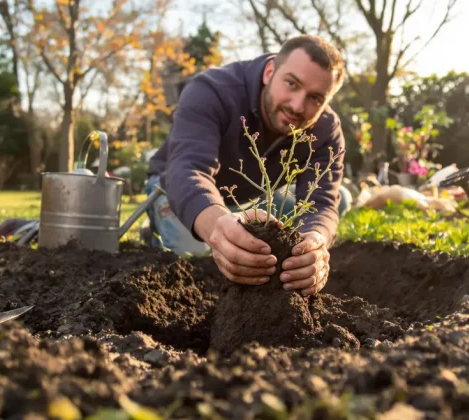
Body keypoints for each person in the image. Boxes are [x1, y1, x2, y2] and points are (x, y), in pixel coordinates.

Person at [144, 34, 352, 297]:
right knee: (195, 259)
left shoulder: (326, 131)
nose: (297, 105)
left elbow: (322, 203)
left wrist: (315, 246)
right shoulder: (212, 90)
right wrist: (217, 225)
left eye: (315, 98)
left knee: (340, 198)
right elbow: (187, 169)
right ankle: (154, 231)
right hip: (176, 189)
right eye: (291, 83)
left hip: (250, 202)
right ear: (269, 72)